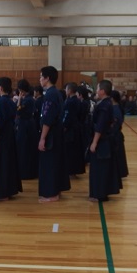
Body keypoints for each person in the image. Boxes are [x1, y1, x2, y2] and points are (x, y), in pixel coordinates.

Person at [37, 66, 70, 203]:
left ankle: (51, 194)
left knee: (49, 163)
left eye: (41, 76)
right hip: (57, 133)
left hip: (51, 134)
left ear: (47, 78)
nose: (40, 79)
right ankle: (56, 190)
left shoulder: (50, 95)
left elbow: (47, 119)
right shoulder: (56, 93)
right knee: (56, 162)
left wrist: (42, 138)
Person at [88, 80, 121, 202]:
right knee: (101, 167)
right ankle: (100, 193)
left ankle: (100, 194)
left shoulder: (104, 105)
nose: (96, 91)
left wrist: (94, 142)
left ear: (102, 91)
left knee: (100, 168)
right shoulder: (105, 103)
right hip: (104, 140)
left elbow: (100, 126)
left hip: (102, 141)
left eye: (97, 89)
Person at [0, 77, 22, 201]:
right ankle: (10, 190)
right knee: (9, 162)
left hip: (2, 136)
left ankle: (1, 193)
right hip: (10, 135)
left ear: (1, 88)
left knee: (0, 164)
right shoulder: (11, 102)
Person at [15, 79, 39, 180]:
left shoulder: (28, 100)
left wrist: (19, 99)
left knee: (24, 149)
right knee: (26, 148)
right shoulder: (29, 99)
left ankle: (25, 172)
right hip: (28, 124)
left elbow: (17, 111)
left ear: (21, 90)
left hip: (25, 125)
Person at [62, 82, 85, 176]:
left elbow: (68, 116)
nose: (65, 91)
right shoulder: (79, 101)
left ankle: (70, 170)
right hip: (77, 127)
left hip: (70, 129)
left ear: (70, 90)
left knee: (70, 150)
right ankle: (75, 170)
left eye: (66, 89)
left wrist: (64, 126)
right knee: (76, 150)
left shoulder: (70, 102)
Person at [110, 90, 129, 178]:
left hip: (115, 135)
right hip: (116, 134)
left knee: (117, 155)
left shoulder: (116, 109)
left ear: (112, 98)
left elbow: (115, 124)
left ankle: (118, 172)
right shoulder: (116, 107)